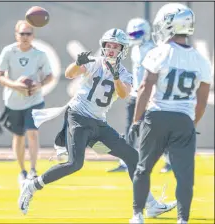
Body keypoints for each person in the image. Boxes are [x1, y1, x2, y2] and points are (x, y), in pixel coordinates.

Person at [18, 28, 176, 216]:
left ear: (122, 49)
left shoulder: (124, 73)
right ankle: (32, 186)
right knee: (75, 164)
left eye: (115, 46)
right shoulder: (94, 63)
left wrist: (116, 76)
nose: (110, 49)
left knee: (132, 156)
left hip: (98, 123)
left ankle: (150, 204)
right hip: (78, 117)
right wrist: (77, 63)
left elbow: (124, 93)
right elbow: (69, 74)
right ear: (103, 46)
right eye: (108, 45)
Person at [129, 3, 212, 224]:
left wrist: (136, 121)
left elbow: (145, 88)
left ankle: (137, 215)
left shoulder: (159, 52)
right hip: (184, 119)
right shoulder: (201, 61)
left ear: (169, 25)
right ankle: (183, 220)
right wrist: (190, 124)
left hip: (157, 115)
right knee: (184, 176)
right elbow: (201, 102)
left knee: (143, 168)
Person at [108, 18, 172, 173]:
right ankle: (126, 162)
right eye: (132, 33)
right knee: (131, 128)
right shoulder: (135, 49)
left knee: (157, 130)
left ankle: (169, 160)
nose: (134, 36)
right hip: (136, 93)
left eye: (137, 33)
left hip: (151, 95)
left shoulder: (153, 49)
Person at [0, 20, 54, 182]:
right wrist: (15, 85)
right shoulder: (8, 51)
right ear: (16, 35)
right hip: (13, 101)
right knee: (19, 136)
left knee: (33, 133)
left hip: (34, 100)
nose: (25, 37)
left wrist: (39, 85)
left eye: (28, 33)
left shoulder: (39, 54)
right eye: (22, 33)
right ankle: (22, 170)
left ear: (33, 36)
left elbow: (50, 76)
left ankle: (33, 169)